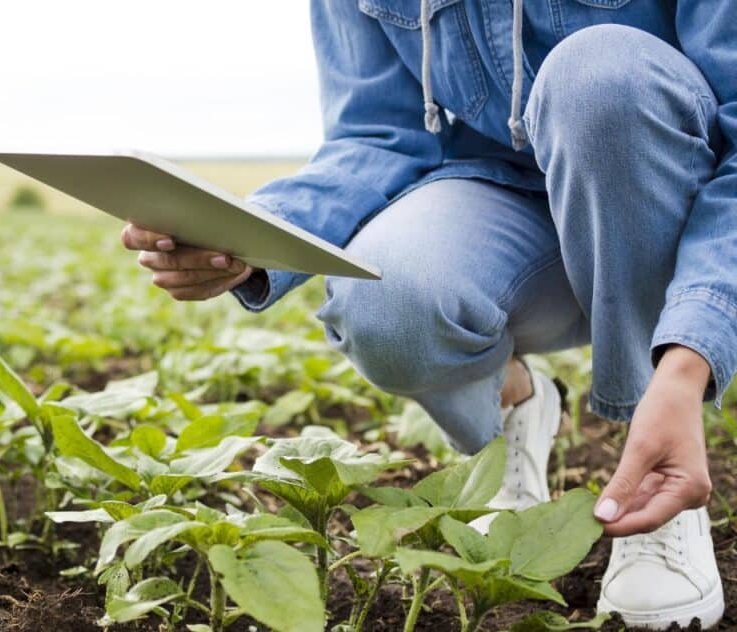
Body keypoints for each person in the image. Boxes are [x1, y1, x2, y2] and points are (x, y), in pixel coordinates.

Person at [121, 1, 735, 628]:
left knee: (598, 76)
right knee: (383, 303)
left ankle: (660, 473)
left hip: (668, 207)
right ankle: (511, 408)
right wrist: (248, 238)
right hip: (500, 203)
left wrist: (687, 363)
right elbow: (376, 133)